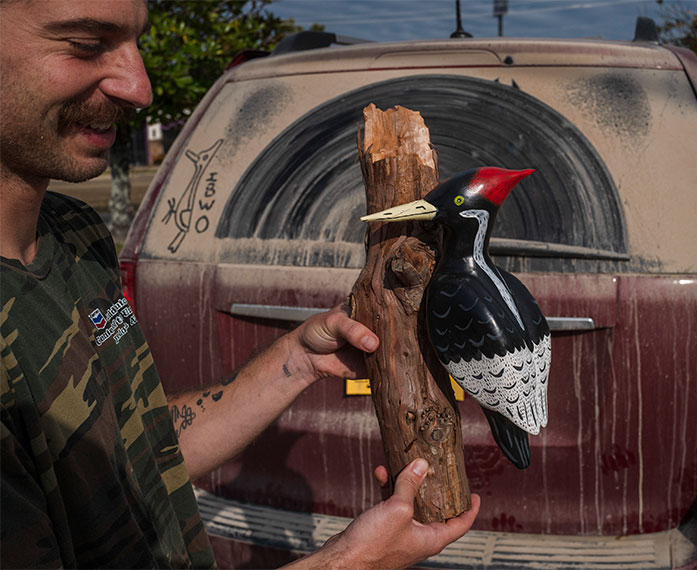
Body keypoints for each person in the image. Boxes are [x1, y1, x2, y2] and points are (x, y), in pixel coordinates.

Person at [0, 0, 480, 568]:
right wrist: (347, 563)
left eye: (136, 43)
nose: (140, 87)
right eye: (85, 44)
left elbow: (138, 444)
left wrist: (297, 359)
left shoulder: (75, 234)